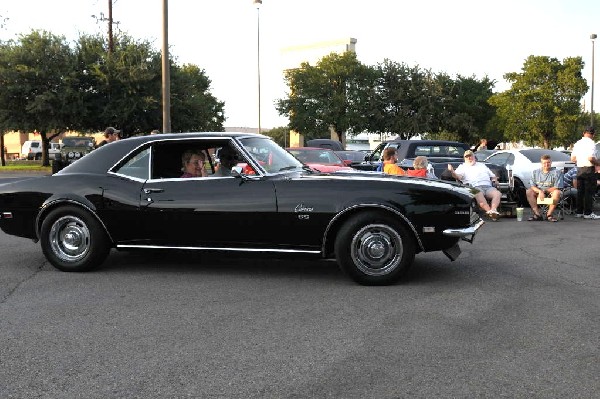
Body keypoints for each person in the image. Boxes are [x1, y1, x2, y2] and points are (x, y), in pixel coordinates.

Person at [447, 149, 501, 220]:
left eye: (471, 156)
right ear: (465, 158)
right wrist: (452, 171)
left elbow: (493, 176)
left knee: (497, 193)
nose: (469, 158)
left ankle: (493, 210)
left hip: (487, 186)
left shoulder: (482, 165)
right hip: (472, 187)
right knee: (478, 194)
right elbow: (457, 177)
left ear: (474, 156)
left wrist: (495, 180)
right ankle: (490, 212)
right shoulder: (462, 167)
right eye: (467, 157)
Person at [571, 126, 599, 219]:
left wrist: (581, 159)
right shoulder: (591, 143)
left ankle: (579, 212)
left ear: (584, 133)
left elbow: (573, 159)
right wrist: (598, 163)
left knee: (580, 191)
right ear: (593, 135)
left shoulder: (578, 143)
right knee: (589, 192)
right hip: (588, 169)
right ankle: (588, 213)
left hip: (579, 169)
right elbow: (591, 158)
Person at [525, 154, 563, 222]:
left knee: (557, 192)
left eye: (548, 162)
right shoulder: (535, 172)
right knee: (529, 191)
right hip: (539, 193)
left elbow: (556, 187)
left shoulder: (557, 172)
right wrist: (540, 192)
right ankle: (537, 215)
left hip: (551, 192)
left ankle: (549, 215)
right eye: (544, 163)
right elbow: (533, 186)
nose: (546, 164)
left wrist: (544, 191)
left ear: (551, 162)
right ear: (541, 163)